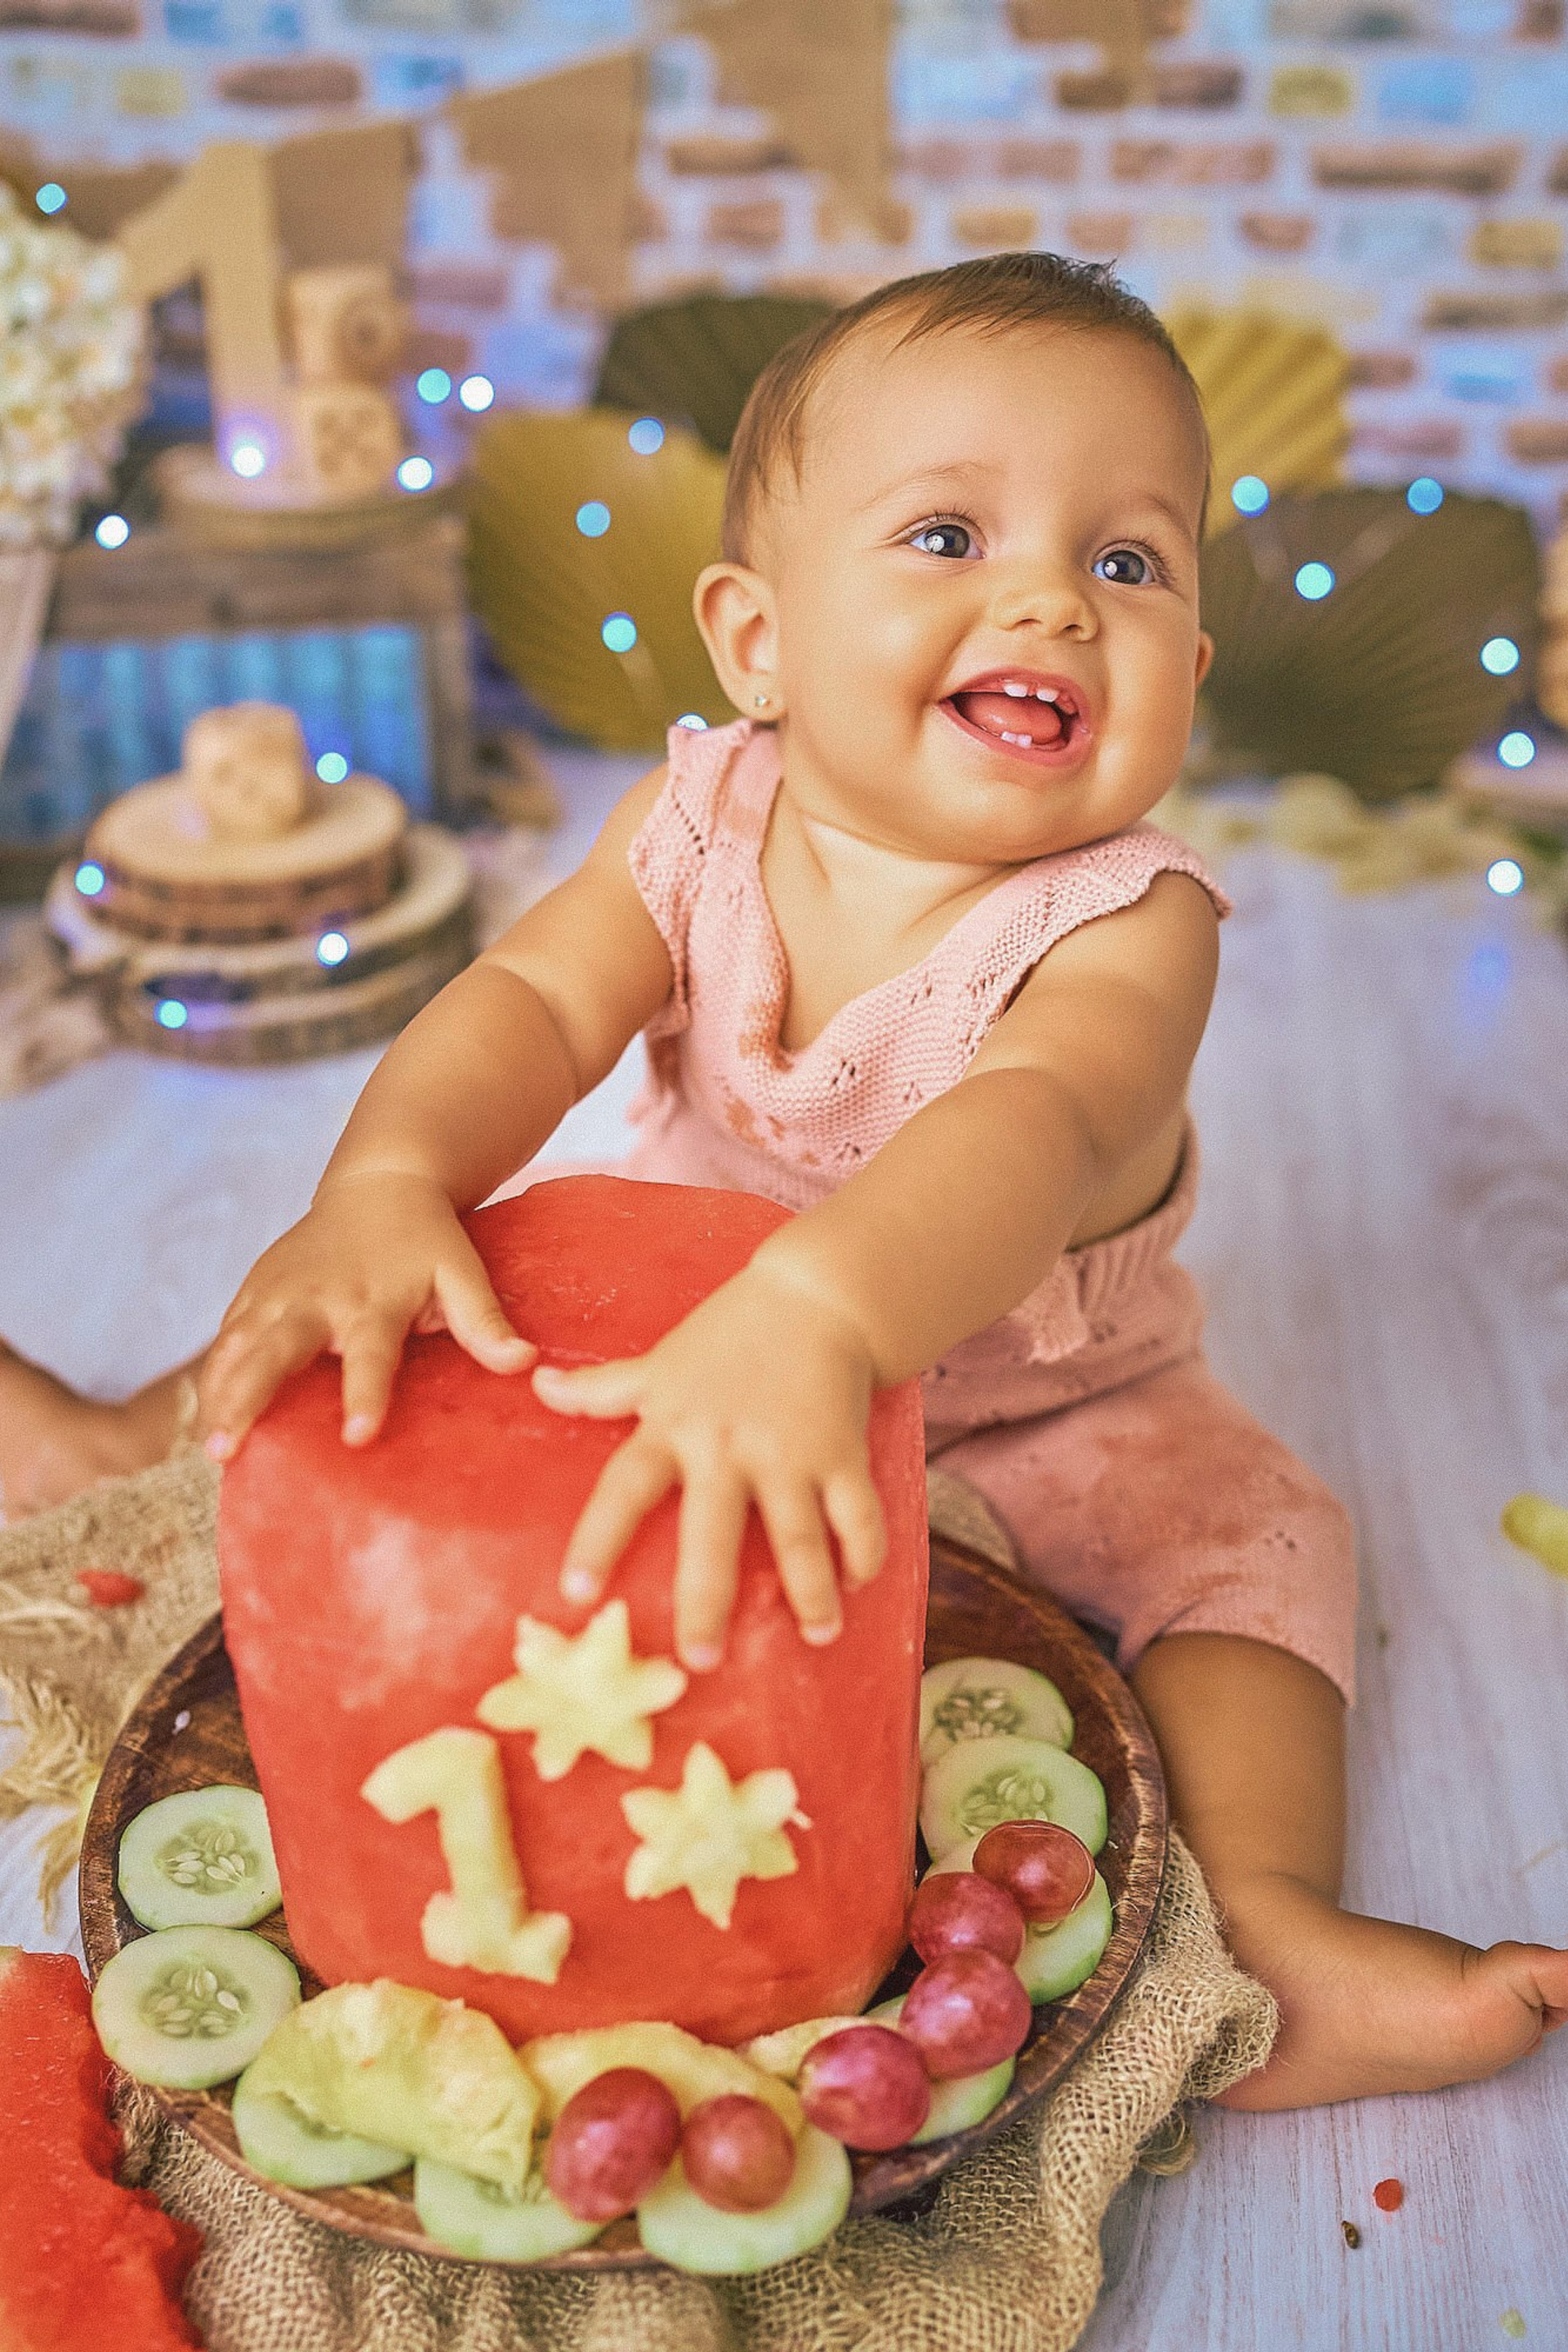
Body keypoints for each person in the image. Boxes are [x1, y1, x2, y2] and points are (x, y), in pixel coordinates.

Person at [4, 252, 1564, 2106]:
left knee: (1265, 1542)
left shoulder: (1131, 925)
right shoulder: (696, 818)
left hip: (1042, 1398)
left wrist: (824, 1310)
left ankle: (1259, 1929)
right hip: (666, 1340)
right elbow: (526, 995)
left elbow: (1041, 1124)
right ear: (755, 639)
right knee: (380, 1323)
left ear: (1190, 676)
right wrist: (392, 1174)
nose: (1054, 599)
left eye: (1130, 564)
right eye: (951, 535)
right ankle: (136, 1442)